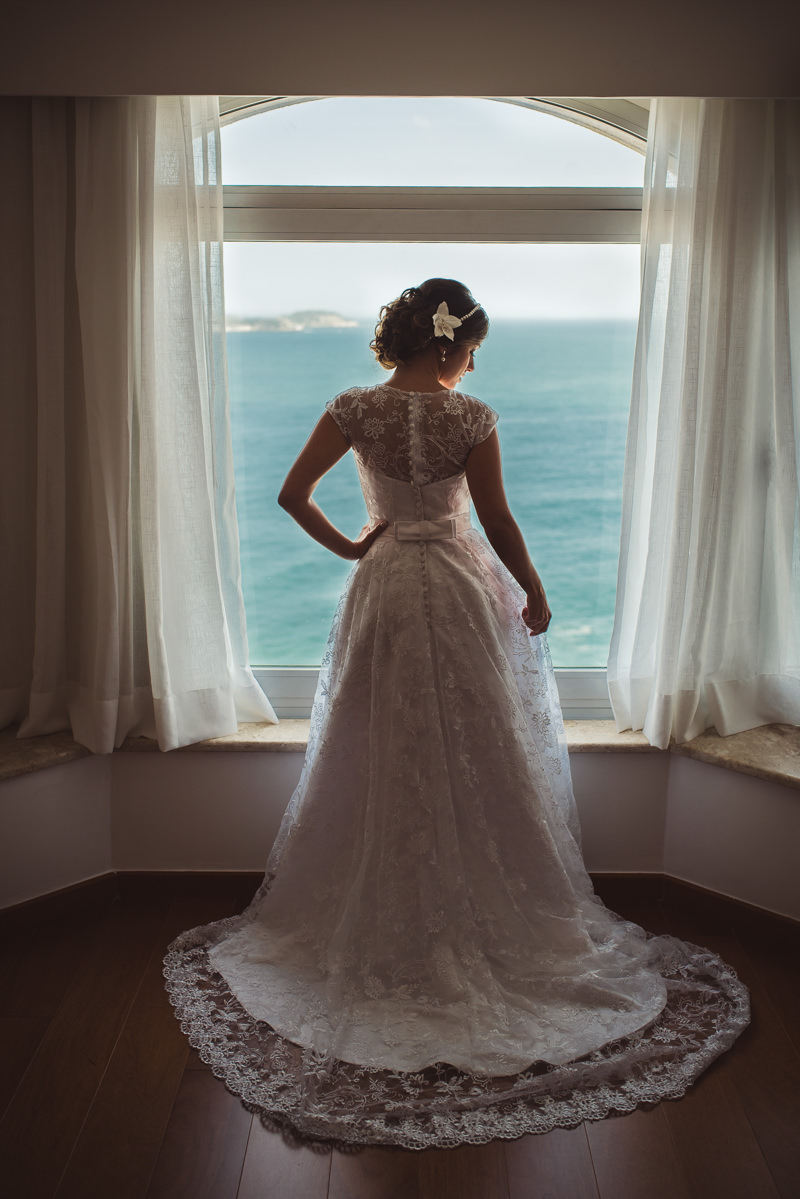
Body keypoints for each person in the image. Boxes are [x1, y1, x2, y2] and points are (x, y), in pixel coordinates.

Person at [164, 278, 749, 1150]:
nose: (474, 361)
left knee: (371, 747)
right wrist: (537, 590)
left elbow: (292, 496)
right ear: (450, 345)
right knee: (485, 753)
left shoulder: (352, 406)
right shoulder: (471, 416)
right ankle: (486, 902)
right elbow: (500, 520)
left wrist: (357, 544)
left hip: (387, 586)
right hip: (461, 590)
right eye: (473, 347)